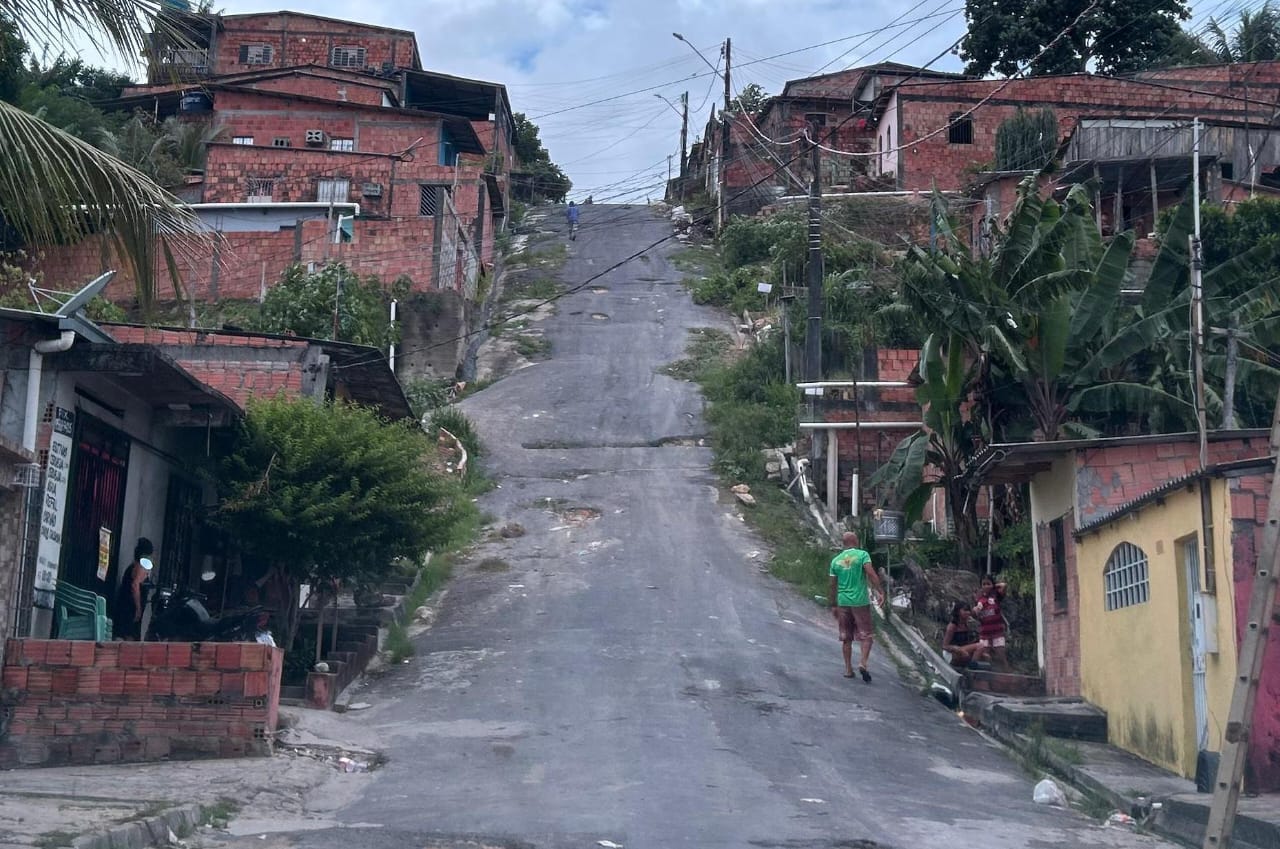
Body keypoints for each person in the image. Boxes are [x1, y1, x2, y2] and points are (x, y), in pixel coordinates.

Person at [828, 531, 885, 682]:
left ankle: (848, 670)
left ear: (844, 543)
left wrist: (833, 604)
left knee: (846, 638)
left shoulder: (835, 561)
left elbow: (832, 585)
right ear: (855, 541)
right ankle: (863, 663)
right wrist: (880, 591)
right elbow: (871, 574)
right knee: (866, 636)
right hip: (860, 602)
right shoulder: (862, 555)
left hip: (843, 602)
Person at [113, 538, 154, 641]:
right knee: (129, 638)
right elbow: (135, 585)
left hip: (126, 608)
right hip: (129, 609)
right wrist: (138, 608)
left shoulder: (134, 566)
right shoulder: (140, 567)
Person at [974, 575, 1010, 671]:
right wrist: (976, 610)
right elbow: (976, 610)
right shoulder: (978, 597)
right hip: (984, 633)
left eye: (988, 584)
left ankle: (1008, 676)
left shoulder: (996, 595)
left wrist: (993, 587)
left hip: (997, 632)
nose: (986, 586)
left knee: (1001, 656)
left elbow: (1004, 585)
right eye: (983, 584)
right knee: (986, 657)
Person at [942, 601, 987, 669]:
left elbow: (967, 644)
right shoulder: (952, 626)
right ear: (958, 611)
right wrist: (958, 649)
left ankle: (972, 667)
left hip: (962, 650)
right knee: (980, 645)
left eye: (968, 610)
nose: (968, 613)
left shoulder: (966, 624)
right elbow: (945, 646)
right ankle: (972, 669)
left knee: (985, 656)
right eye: (965, 610)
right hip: (951, 654)